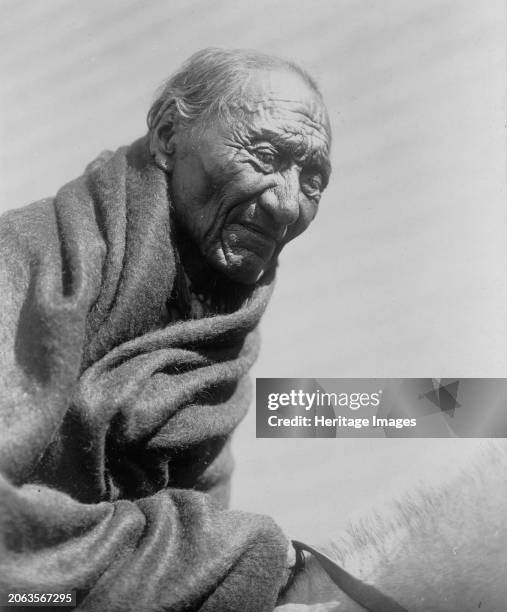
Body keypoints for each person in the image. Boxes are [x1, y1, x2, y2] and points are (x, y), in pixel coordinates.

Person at [0, 48, 331, 611]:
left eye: (314, 179)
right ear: (167, 136)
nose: (286, 203)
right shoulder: (22, 263)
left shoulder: (220, 353)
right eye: (266, 154)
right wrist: (235, 554)